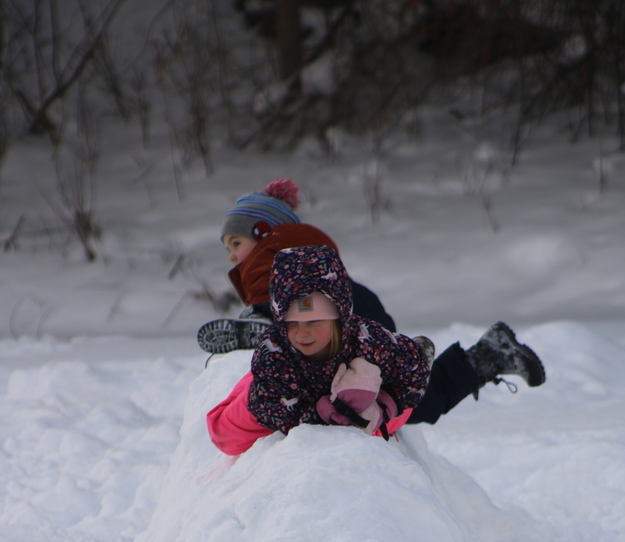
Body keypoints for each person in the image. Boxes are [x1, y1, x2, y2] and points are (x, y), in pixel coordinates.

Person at [200, 179, 545, 428]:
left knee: (409, 401)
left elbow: (294, 302)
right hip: (361, 315)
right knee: (418, 401)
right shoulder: (312, 255)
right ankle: (485, 356)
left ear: (262, 232)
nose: (231, 255)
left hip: (350, 329)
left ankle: (263, 323)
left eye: (235, 242)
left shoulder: (273, 257)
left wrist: (268, 320)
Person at [207, 245, 430, 457]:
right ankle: (251, 381)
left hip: (342, 380)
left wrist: (381, 406)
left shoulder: (367, 340)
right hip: (285, 390)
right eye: (291, 323)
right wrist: (322, 414)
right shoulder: (275, 355)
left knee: (380, 417)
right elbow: (273, 409)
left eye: (313, 321)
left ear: (339, 317)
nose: (302, 333)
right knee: (224, 433)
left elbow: (414, 372)